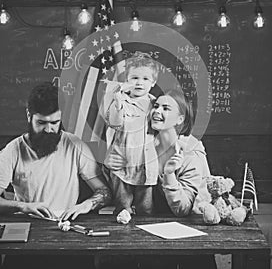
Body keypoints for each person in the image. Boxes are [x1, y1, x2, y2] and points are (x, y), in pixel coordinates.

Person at [0, 82, 112, 268]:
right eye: (41, 123)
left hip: (68, 231)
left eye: (54, 123)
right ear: (29, 116)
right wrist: (24, 206)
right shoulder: (12, 151)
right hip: (28, 231)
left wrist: (86, 205)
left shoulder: (75, 145)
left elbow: (104, 191)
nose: (48, 130)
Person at [106, 89, 217, 269]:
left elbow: (183, 209)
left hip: (189, 233)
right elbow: (121, 192)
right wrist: (112, 167)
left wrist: (170, 175)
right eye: (156, 106)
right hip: (146, 230)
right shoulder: (139, 148)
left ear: (180, 119)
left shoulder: (190, 154)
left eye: (166, 108)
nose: (157, 111)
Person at [103, 51, 159, 215]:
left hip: (146, 165)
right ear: (126, 80)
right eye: (134, 78)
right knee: (122, 209)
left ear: (153, 82)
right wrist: (118, 100)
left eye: (145, 79)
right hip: (122, 163)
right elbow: (114, 122)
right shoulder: (120, 100)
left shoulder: (156, 104)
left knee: (146, 210)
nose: (139, 83)